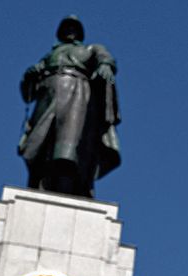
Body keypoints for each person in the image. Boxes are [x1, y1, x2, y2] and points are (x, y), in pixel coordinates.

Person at [19, 15, 121, 197]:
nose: (70, 31)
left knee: (67, 147)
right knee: (39, 145)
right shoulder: (50, 56)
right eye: (66, 27)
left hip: (76, 95)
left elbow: (106, 58)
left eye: (74, 28)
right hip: (47, 97)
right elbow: (28, 94)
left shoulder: (90, 49)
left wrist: (105, 65)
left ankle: (66, 188)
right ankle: (41, 186)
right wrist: (30, 76)